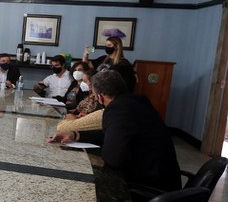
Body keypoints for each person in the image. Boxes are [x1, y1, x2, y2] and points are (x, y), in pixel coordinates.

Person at [50, 70, 181, 192]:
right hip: (167, 182)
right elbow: (111, 134)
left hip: (148, 189)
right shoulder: (139, 101)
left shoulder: (117, 110)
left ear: (100, 97)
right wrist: (75, 135)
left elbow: (113, 158)